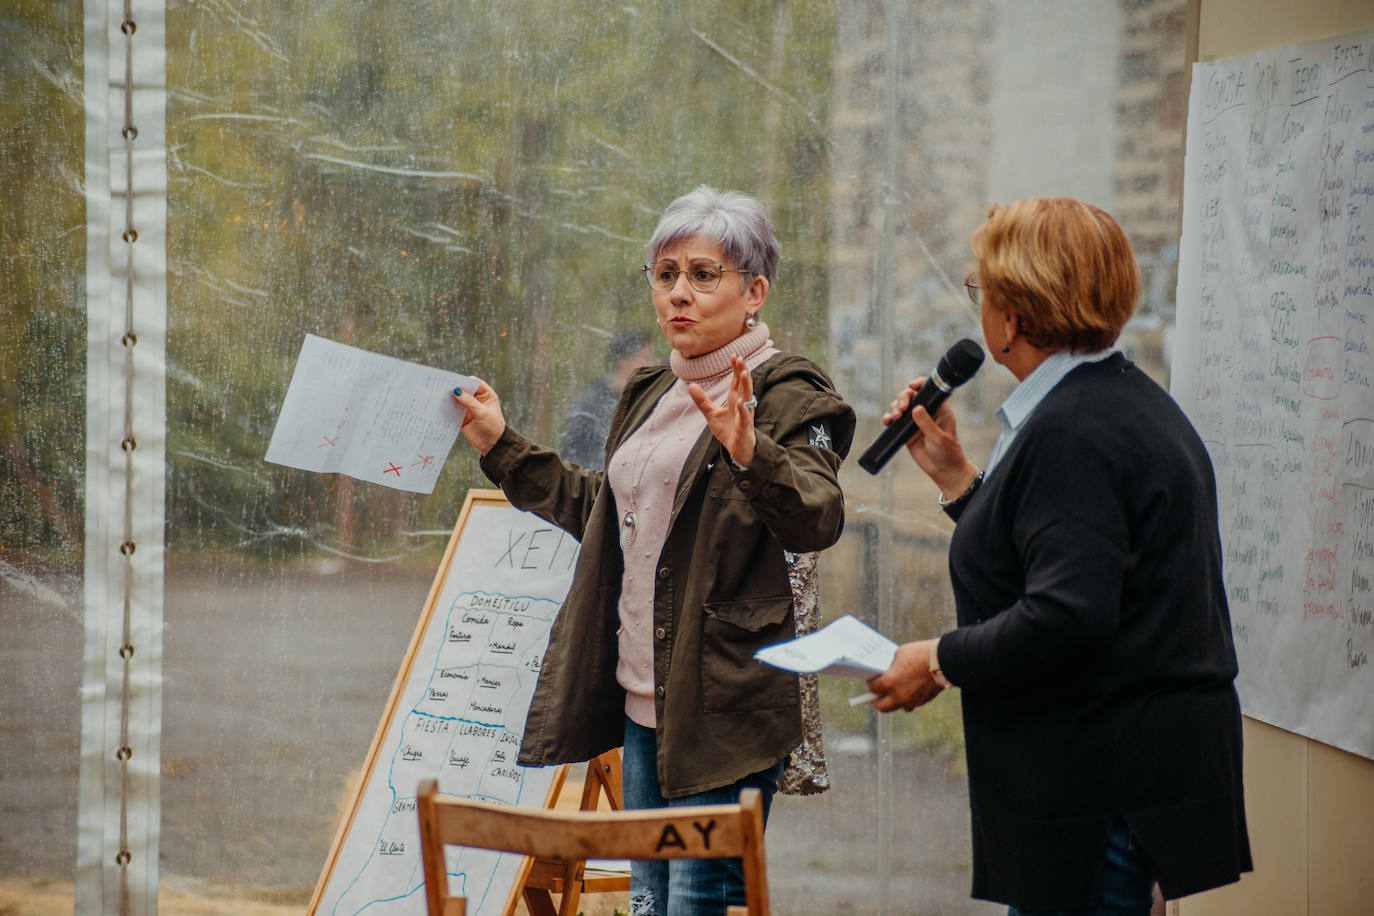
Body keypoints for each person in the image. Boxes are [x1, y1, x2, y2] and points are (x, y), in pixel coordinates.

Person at [452, 185, 855, 916]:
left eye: (705, 274)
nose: (680, 293)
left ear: (755, 290)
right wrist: (498, 445)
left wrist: (746, 446)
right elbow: (603, 510)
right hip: (643, 699)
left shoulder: (792, 390)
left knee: (697, 904)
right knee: (648, 903)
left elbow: (818, 516)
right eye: (666, 274)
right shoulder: (649, 389)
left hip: (724, 707)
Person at [865, 197, 1251, 915]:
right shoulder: (1113, 402)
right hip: (1115, 778)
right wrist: (957, 479)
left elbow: (1067, 613)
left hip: (1097, 791)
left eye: (981, 293)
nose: (977, 311)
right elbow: (1051, 555)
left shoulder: (1073, 431)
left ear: (1011, 318)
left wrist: (938, 660)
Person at [559, 329, 656, 469]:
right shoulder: (590, 407)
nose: (653, 364)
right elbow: (573, 458)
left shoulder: (648, 399)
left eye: (652, 357)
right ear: (623, 362)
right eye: (646, 358)